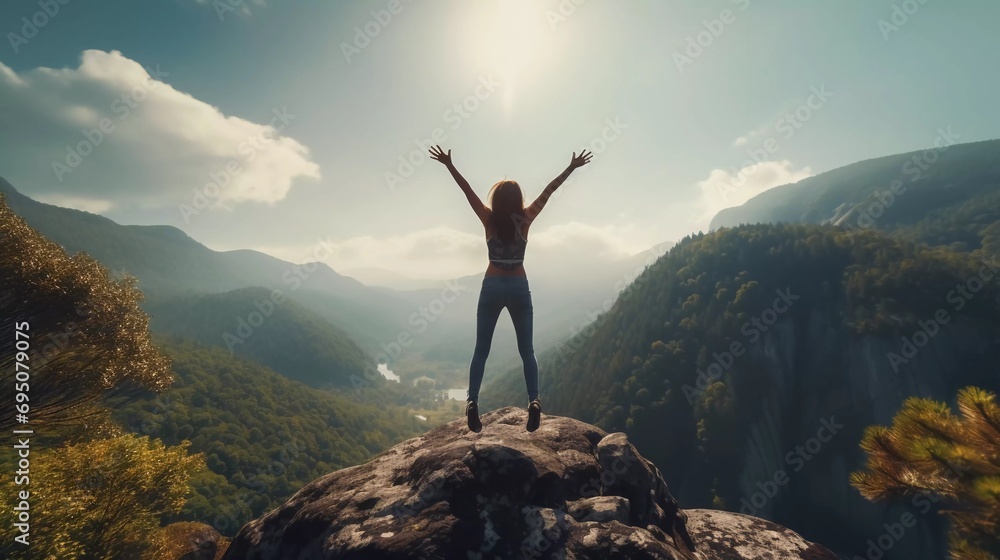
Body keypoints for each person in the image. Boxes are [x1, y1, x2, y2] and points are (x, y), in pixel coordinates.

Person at [428, 145, 593, 432]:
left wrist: (449, 165)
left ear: (496, 199)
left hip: (492, 284)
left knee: (481, 350)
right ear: (518, 200)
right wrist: (571, 168)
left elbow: (467, 191)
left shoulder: (488, 219)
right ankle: (534, 401)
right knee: (527, 350)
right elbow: (548, 192)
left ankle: (472, 402)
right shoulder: (526, 219)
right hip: (518, 284)